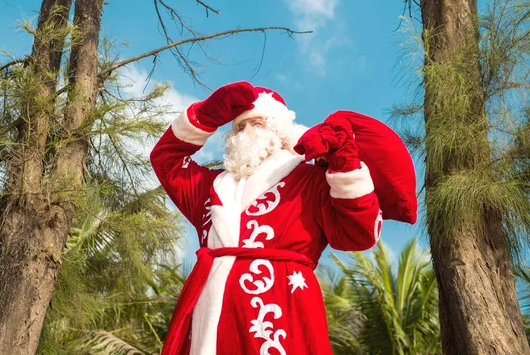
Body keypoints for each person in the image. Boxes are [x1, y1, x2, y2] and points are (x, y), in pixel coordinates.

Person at [150, 81, 384, 355]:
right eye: (239, 126)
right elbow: (166, 159)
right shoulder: (209, 188)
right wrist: (204, 115)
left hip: (285, 310)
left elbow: (360, 233)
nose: (246, 131)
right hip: (210, 320)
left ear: (281, 131)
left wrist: (345, 163)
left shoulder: (313, 180)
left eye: (258, 123)